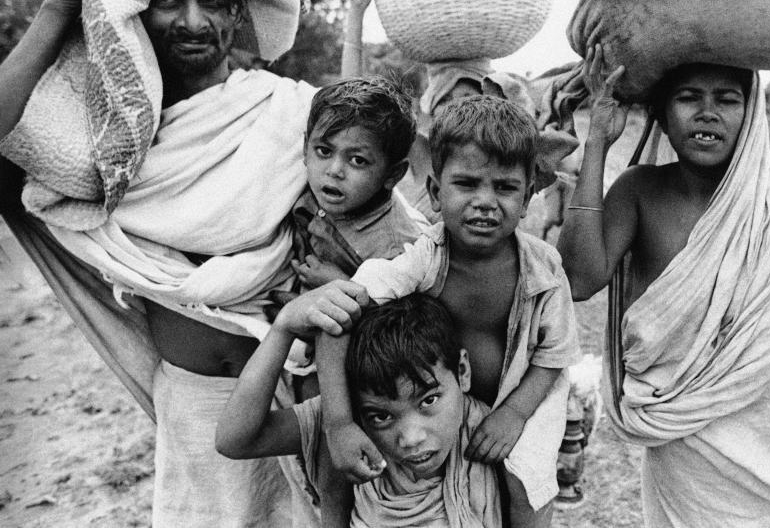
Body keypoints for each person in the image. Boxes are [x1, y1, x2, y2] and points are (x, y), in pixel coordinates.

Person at [0, 0, 358, 525]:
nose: (193, 20)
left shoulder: (288, 116)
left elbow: (382, 223)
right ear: (139, 10)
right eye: (169, 0)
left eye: (212, 0)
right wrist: (60, 1)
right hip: (192, 409)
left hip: (300, 403)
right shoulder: (107, 144)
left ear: (237, 10)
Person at [557, 44, 770, 527]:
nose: (708, 113)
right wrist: (597, 147)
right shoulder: (640, 191)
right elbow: (578, 279)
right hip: (686, 446)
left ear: (752, 111)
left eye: (728, 99)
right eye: (688, 97)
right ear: (662, 113)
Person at [305, 95, 581, 527]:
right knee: (336, 450)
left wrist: (512, 415)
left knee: (525, 479)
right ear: (435, 192)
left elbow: (554, 355)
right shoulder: (423, 258)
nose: (486, 201)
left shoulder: (544, 269)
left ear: (528, 197)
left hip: (525, 394)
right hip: (439, 399)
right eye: (467, 184)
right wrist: (339, 422)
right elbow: (337, 319)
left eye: (505, 187)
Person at [216, 293, 502, 527]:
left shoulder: (490, 430)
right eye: (382, 416)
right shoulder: (350, 424)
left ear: (462, 372)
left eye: (428, 401)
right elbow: (236, 439)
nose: (411, 438)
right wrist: (284, 328)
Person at [284, 76, 427, 292]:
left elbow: (398, 318)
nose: (334, 171)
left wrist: (342, 285)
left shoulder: (395, 251)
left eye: (358, 160)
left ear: (393, 175)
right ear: (306, 149)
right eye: (324, 151)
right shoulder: (298, 186)